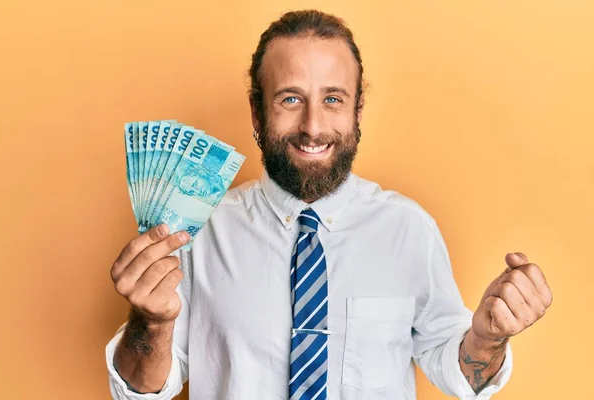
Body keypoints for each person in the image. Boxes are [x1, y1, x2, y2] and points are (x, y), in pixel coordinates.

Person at [105, 9, 552, 400]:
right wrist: (151, 323)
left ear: (357, 112)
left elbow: (458, 372)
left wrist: (489, 340)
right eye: (290, 99)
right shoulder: (197, 230)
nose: (313, 126)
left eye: (333, 99)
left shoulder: (408, 229)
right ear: (257, 114)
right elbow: (141, 392)